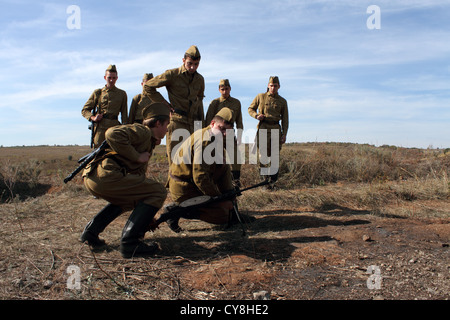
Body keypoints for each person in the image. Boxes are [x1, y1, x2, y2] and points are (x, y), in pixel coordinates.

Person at [80, 103, 170, 258]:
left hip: (95, 177)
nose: (167, 130)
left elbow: (139, 179)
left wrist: (146, 216)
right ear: (157, 123)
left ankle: (90, 233)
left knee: (129, 201)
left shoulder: (148, 141)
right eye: (166, 125)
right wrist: (137, 156)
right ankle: (130, 244)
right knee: (160, 191)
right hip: (106, 175)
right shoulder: (143, 131)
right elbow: (112, 133)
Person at [163, 107, 254, 233]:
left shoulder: (214, 136)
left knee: (224, 165)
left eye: (228, 130)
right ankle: (175, 211)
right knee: (222, 216)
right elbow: (200, 177)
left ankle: (233, 213)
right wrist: (220, 200)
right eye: (221, 128)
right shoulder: (205, 141)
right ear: (212, 124)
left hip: (193, 183)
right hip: (185, 188)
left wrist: (229, 196)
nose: (225, 133)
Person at [143, 45, 205, 165]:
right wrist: (164, 104)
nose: (192, 67)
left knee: (193, 162)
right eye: (189, 63)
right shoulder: (173, 74)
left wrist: (200, 125)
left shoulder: (200, 79)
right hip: (177, 122)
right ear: (183, 60)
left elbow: (199, 101)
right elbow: (148, 86)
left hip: (193, 123)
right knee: (176, 162)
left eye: (196, 64)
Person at [248, 76, 289, 186]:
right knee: (263, 157)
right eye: (271, 85)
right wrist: (256, 116)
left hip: (276, 128)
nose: (273, 88)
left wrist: (284, 134)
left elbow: (285, 119)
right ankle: (263, 182)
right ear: (268, 85)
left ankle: (273, 182)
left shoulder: (282, 101)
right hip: (263, 127)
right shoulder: (260, 97)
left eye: (275, 86)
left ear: (279, 86)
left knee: (275, 157)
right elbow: (250, 109)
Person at [205, 79, 244, 186]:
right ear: (219, 90)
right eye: (222, 89)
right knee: (217, 159)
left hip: (230, 134)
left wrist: (239, 135)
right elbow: (208, 119)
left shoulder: (236, 103)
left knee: (236, 158)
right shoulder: (215, 103)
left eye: (227, 89)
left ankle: (236, 181)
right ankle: (218, 182)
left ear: (230, 89)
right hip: (216, 135)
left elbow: (239, 120)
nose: (225, 91)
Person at [82, 65, 128, 148]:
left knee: (114, 154)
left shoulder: (122, 94)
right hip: (100, 128)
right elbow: (85, 110)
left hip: (114, 128)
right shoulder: (98, 93)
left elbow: (124, 115)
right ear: (105, 77)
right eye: (109, 77)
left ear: (117, 78)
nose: (111, 80)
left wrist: (124, 130)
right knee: (98, 155)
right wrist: (93, 118)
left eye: (114, 78)